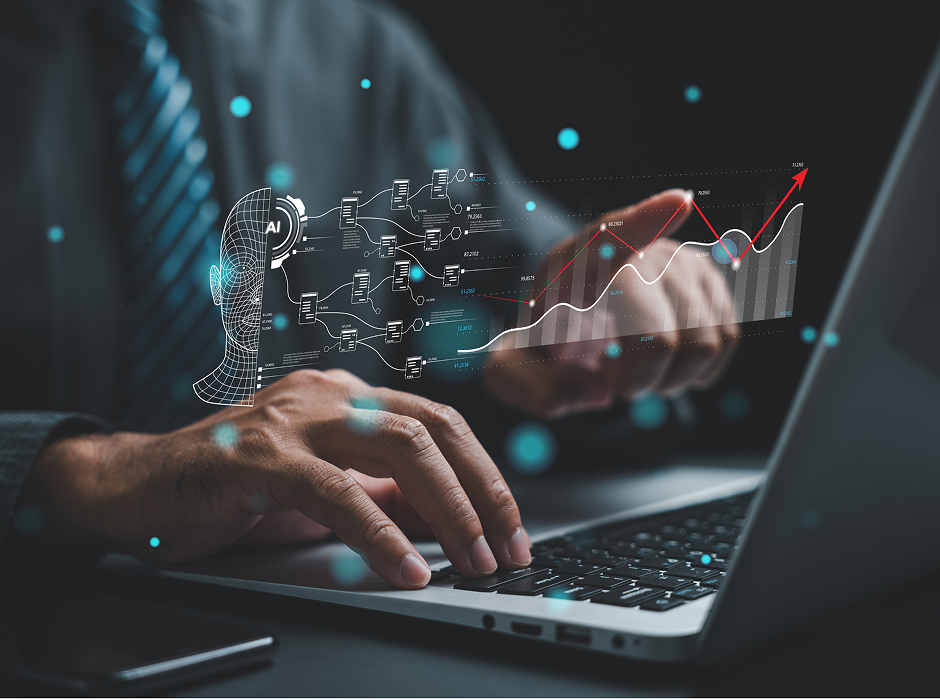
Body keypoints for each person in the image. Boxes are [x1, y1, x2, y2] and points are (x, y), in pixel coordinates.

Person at [0, 0, 738, 589]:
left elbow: (532, 287)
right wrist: (86, 480)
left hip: (334, 610)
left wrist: (600, 336)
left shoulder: (355, 45)